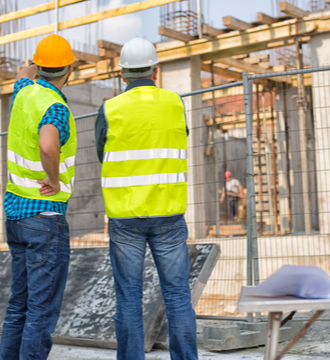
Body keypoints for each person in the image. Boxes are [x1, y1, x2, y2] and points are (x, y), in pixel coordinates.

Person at [95, 37, 198, 360]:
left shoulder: (110, 108)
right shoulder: (174, 102)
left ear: (122, 74)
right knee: (178, 296)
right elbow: (181, 138)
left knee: (129, 298)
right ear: (156, 69)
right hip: (168, 213)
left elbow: (103, 153)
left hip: (125, 216)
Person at [0, 34, 77, 360]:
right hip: (44, 216)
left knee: (19, 303)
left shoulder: (24, 92)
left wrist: (33, 67)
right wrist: (54, 178)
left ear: (39, 66)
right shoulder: (54, 106)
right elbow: (48, 145)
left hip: (16, 216)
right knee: (41, 310)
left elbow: (22, 75)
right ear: (70, 70)